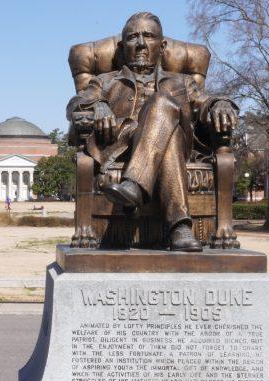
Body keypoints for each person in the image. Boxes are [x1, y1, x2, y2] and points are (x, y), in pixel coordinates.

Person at [67, 12, 238, 251]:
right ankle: (180, 228)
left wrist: (220, 104)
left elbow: (204, 102)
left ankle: (133, 186)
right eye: (132, 37)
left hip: (182, 146)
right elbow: (76, 104)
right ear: (121, 45)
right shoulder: (104, 81)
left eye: (148, 36)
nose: (140, 44)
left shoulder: (183, 82)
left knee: (162, 104)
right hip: (122, 148)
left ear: (162, 45)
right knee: (169, 132)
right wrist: (98, 104)